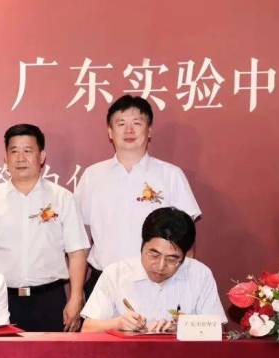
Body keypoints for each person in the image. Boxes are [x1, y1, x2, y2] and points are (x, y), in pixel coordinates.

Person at [74, 95, 200, 298]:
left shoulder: (170, 175)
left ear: (149, 131)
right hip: (103, 282)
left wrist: (182, 288)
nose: (129, 130)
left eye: (137, 123)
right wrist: (76, 292)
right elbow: (79, 239)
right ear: (110, 132)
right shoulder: (93, 176)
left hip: (158, 282)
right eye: (121, 123)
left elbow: (187, 239)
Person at [0, 124, 89, 331]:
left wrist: (75, 298)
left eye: (28, 151)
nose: (20, 158)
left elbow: (77, 252)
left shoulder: (62, 198)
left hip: (49, 300)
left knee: (51, 353)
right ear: (5, 158)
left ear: (42, 156)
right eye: (14, 151)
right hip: (2, 300)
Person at [81, 207, 226, 332]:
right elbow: (87, 329)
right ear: (142, 245)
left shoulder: (199, 275)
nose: (161, 266)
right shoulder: (116, 273)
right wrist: (117, 324)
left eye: (172, 259)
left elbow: (218, 329)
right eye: (154, 255)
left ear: (185, 256)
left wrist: (184, 329)